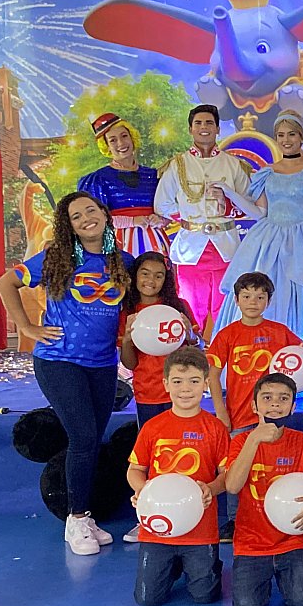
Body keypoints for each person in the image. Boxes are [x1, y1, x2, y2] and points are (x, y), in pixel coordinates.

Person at [0, 190, 134, 556]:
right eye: (76, 216)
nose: (86, 218)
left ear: (104, 213)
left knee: (92, 438)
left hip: (102, 364)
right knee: (84, 436)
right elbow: (6, 282)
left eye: (91, 210)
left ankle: (86, 515)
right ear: (68, 225)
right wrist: (26, 327)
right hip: (59, 360)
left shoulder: (123, 261)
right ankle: (76, 518)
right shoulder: (56, 258)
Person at [212, 112, 303, 342]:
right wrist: (230, 193)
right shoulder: (268, 173)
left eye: (291, 134)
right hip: (269, 239)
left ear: (301, 137)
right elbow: (260, 212)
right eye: (281, 135)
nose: (286, 140)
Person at [222, 373, 303, 606]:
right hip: (251, 542)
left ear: (293, 407)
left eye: (283, 398)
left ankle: (287, 573)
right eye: (267, 398)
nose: (275, 403)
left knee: (302, 600)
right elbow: (232, 486)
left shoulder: (301, 441)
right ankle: (264, 577)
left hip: (292, 540)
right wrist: (253, 441)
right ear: (254, 406)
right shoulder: (241, 441)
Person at [125, 347, 229, 606]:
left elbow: (226, 474)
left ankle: (208, 564)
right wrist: (142, 490)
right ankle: (172, 565)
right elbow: (135, 470)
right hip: (157, 528)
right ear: (166, 384)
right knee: (147, 600)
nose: (185, 389)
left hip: (200, 529)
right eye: (178, 381)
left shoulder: (215, 428)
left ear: (205, 384)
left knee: (205, 597)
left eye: (193, 381)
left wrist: (211, 488)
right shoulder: (153, 427)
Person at [154, 104, 257, 340]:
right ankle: (192, 352)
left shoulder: (233, 164)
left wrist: (226, 206)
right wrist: (190, 218)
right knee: (191, 310)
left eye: (209, 123)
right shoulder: (178, 164)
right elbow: (162, 204)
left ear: (218, 129)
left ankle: (225, 352)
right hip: (191, 249)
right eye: (198, 123)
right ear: (190, 129)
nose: (204, 127)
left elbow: (250, 204)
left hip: (226, 248)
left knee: (227, 308)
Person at [206, 273, 301, 433]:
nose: (253, 302)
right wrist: (221, 412)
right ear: (236, 300)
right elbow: (213, 376)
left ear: (268, 301)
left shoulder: (279, 331)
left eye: (260, 297)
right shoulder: (226, 335)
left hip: (274, 414)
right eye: (246, 296)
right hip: (238, 417)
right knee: (241, 450)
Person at [119, 251, 195, 430]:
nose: (151, 280)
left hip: (181, 391)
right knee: (152, 442)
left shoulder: (179, 308)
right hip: (147, 393)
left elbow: (197, 348)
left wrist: (190, 334)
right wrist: (127, 341)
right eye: (145, 273)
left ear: (165, 280)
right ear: (135, 276)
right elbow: (130, 364)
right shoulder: (127, 313)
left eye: (158, 276)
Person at [78, 112, 168, 257]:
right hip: (119, 247)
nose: (121, 143)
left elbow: (168, 210)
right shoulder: (98, 179)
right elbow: (96, 220)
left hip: (156, 246)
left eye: (124, 136)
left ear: (132, 138)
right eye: (113, 140)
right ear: (106, 146)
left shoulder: (153, 175)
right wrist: (132, 221)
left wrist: (161, 220)